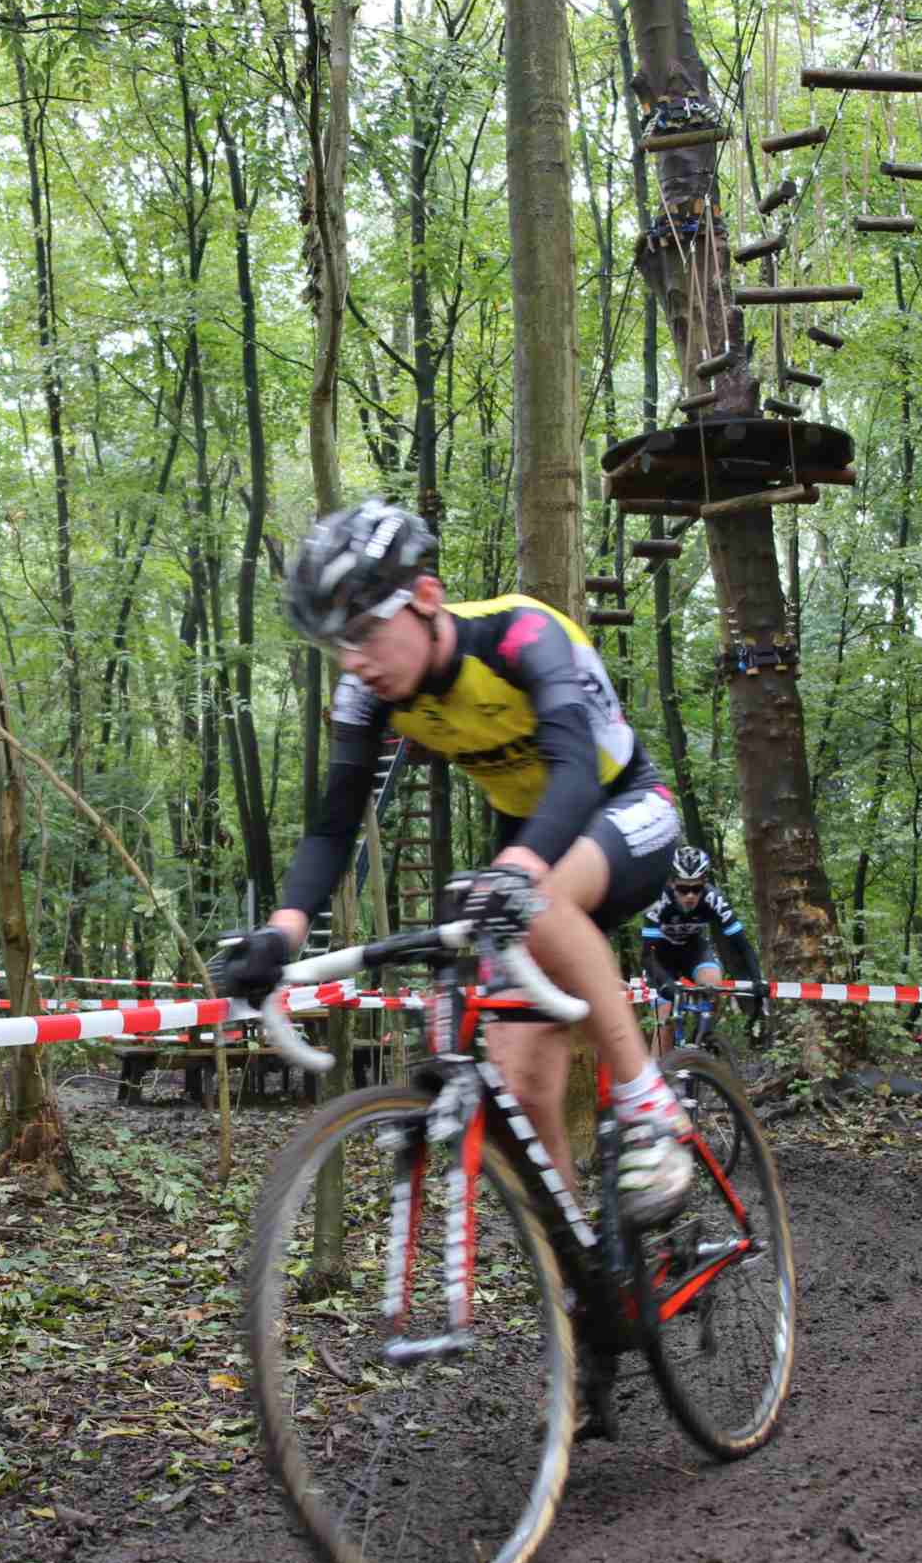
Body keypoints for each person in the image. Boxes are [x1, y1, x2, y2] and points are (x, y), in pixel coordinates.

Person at [210, 498, 700, 1224]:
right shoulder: (367, 693)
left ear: (427, 597)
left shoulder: (521, 634)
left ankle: (648, 1104)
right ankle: (577, 1273)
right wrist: (282, 934)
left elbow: (572, 768)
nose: (353, 660)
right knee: (521, 1089)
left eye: (364, 631)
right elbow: (334, 824)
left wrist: (521, 870)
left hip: (621, 806)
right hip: (530, 842)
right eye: (336, 644)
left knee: (540, 904)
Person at [640, 844, 762, 1052]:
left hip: (693, 950)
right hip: (659, 958)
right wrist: (666, 982)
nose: (690, 896)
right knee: (666, 1016)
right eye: (683, 888)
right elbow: (646, 956)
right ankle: (659, 1069)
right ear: (672, 883)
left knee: (713, 985)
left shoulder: (714, 899)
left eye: (696, 888)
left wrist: (758, 979)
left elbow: (742, 944)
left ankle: (699, 1042)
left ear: (704, 883)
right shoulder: (658, 901)